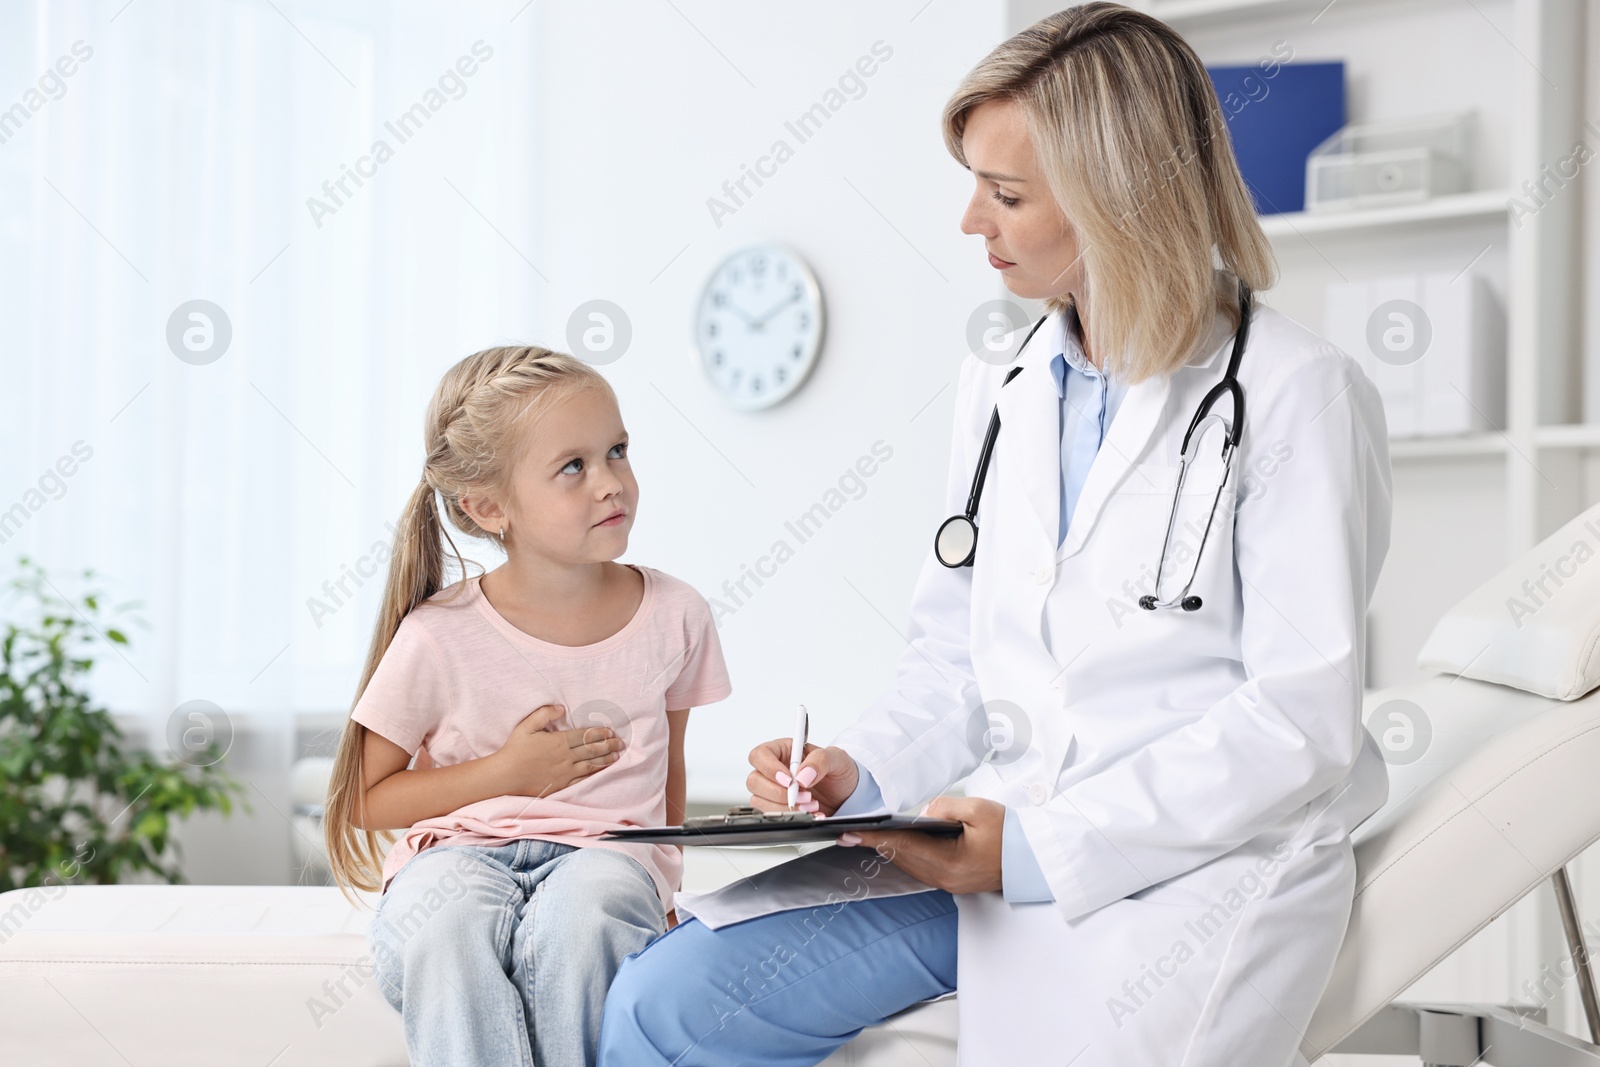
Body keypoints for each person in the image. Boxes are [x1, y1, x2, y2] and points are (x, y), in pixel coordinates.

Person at [598, 5, 1391, 1065]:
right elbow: (955, 653)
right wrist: (860, 773)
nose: (971, 219)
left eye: (1005, 192)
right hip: (980, 843)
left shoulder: (1295, 395)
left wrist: (1041, 846)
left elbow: (1297, 719)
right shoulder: (1005, 383)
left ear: (1120, 196)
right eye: (975, 182)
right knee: (665, 1001)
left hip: (1182, 870)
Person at [322, 345, 733, 1067]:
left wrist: (665, 876)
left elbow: (670, 767)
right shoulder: (438, 634)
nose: (611, 483)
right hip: (457, 851)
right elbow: (360, 794)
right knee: (446, 924)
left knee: (586, 914)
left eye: (617, 451)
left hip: (607, 855)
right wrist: (507, 773)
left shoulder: (675, 614)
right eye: (573, 466)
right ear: (488, 507)